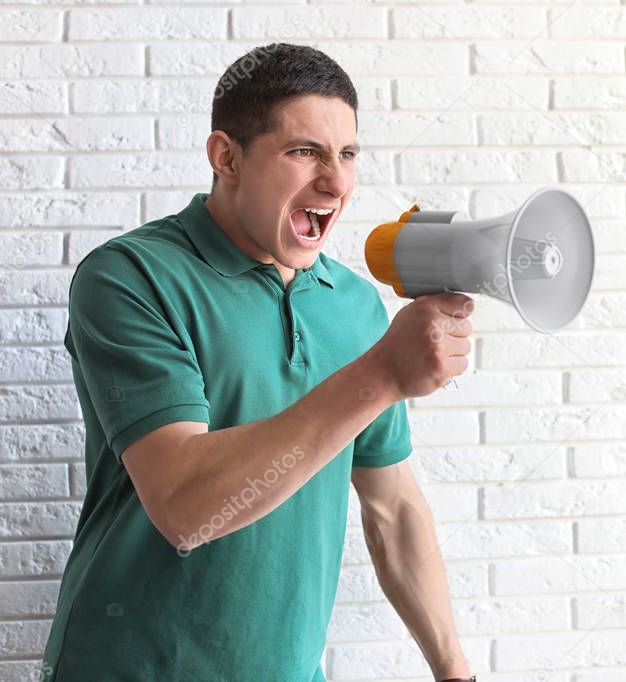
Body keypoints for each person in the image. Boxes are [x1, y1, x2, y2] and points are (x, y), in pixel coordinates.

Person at [39, 42, 477, 682]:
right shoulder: (130, 277)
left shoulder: (353, 306)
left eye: (348, 154)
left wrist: (455, 672)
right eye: (305, 152)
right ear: (226, 157)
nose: (335, 181)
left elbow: (393, 508)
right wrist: (381, 373)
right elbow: (185, 508)